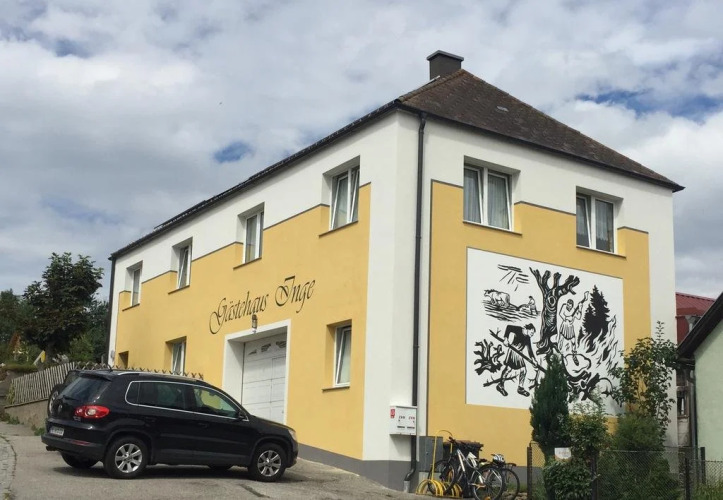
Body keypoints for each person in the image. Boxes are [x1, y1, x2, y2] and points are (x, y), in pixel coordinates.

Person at [496, 323, 536, 397]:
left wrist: (533, 359)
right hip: (513, 351)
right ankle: (500, 385)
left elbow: (530, 350)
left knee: (523, 370)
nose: (532, 334)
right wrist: (506, 339)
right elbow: (508, 327)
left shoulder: (527, 338)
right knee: (508, 369)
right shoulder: (519, 330)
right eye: (532, 332)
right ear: (528, 329)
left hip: (519, 354)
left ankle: (520, 388)